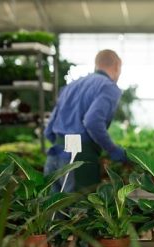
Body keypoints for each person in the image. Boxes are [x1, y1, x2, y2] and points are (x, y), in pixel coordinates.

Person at [44, 49, 126, 193]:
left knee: (53, 210)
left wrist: (62, 145)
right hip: (79, 159)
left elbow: (48, 129)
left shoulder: (72, 86)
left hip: (54, 157)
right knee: (80, 211)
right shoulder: (108, 87)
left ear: (97, 64)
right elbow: (92, 122)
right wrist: (112, 149)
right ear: (117, 67)